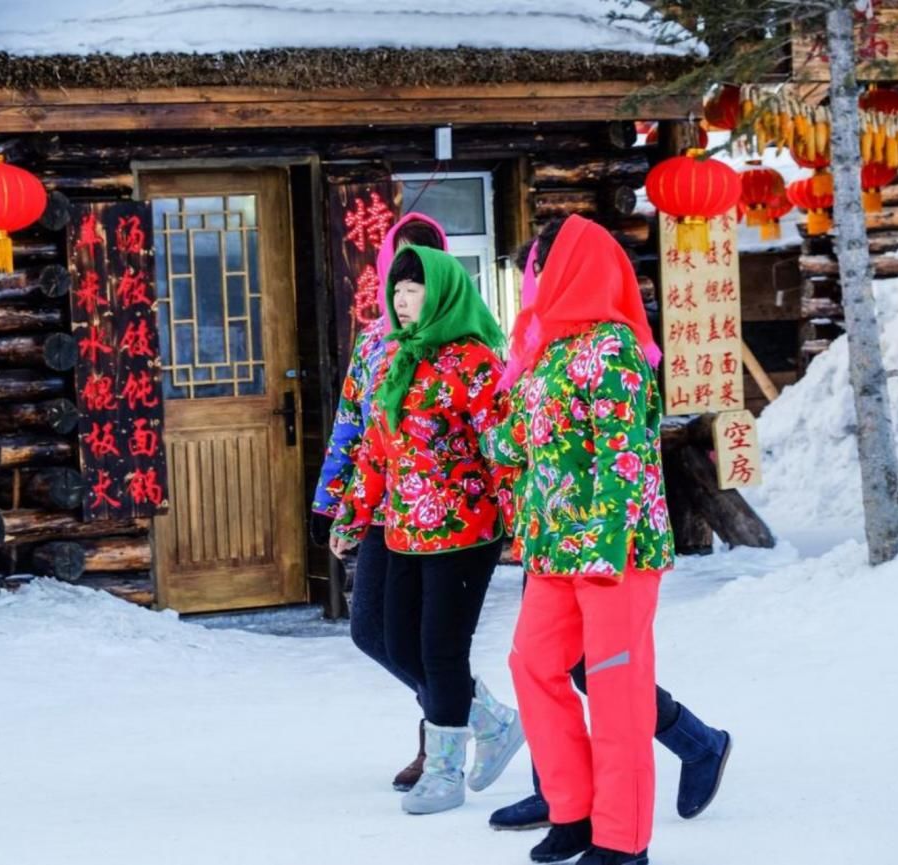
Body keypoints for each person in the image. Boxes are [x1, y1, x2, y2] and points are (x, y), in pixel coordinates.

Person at [488, 229, 733, 846]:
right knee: (534, 664)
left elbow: (625, 458)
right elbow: (518, 441)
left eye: (538, 271)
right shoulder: (547, 352)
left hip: (612, 552)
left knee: (616, 689)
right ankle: (571, 810)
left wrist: (602, 549)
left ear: (573, 270)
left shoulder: (613, 348)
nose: (531, 286)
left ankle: (622, 841)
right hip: (552, 548)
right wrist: (485, 422)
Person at [330, 245, 522, 815]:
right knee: (393, 640)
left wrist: (522, 524)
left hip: (467, 531)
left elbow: (503, 451)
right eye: (397, 289)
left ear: (441, 292)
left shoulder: (475, 361)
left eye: (414, 289)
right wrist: (352, 514)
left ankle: (443, 773)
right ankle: (490, 720)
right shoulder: (396, 358)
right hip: (404, 530)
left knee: (441, 649)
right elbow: (375, 449)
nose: (402, 299)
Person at [310, 213, 452, 792]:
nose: (409, 284)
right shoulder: (372, 342)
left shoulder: (462, 340)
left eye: (424, 267)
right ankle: (470, 707)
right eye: (402, 268)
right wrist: (329, 503)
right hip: (380, 508)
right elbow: (351, 425)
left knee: (424, 636)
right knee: (370, 630)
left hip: (445, 517)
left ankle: (439, 737)